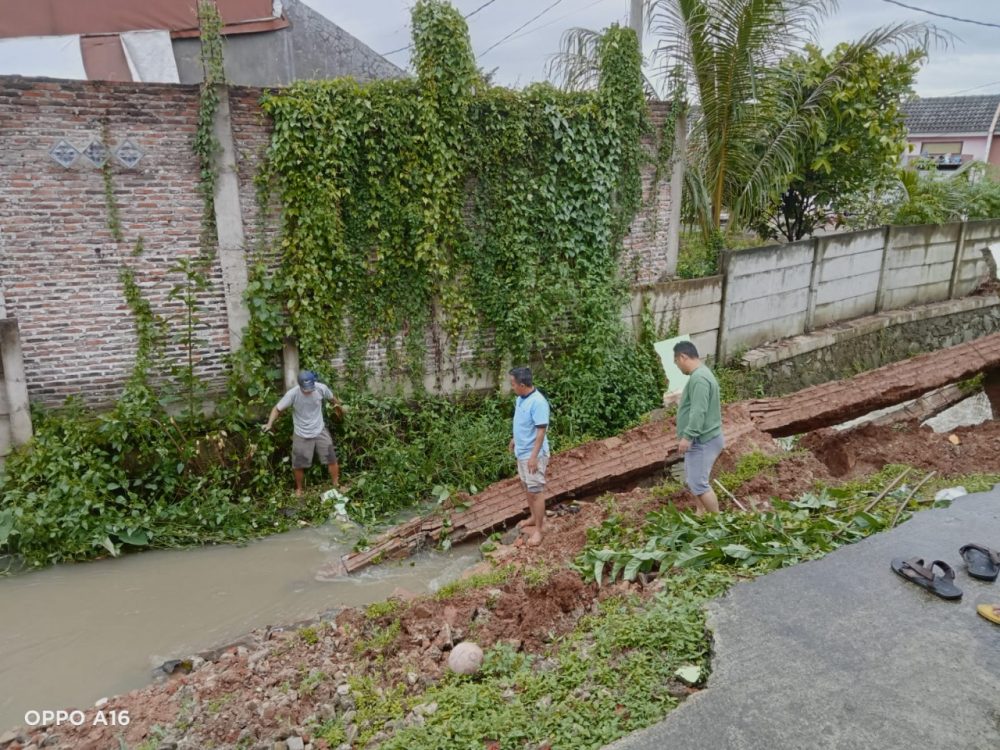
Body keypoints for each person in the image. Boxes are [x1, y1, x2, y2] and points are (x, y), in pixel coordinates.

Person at [262, 369, 341, 496]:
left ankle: (336, 484)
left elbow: (333, 400)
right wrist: (269, 424)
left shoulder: (321, 388)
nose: (308, 391)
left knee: (331, 458)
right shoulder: (292, 394)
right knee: (298, 464)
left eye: (310, 388)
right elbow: (277, 409)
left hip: (319, 429)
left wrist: (339, 410)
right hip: (301, 433)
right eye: (305, 389)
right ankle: (299, 489)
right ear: (299, 385)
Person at [673, 341, 724, 515]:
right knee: (693, 479)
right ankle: (700, 512)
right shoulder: (700, 375)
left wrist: (687, 436)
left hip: (703, 440)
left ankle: (718, 520)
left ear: (683, 357)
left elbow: (699, 411)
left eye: (676, 362)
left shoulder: (699, 379)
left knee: (699, 484)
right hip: (701, 439)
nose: (677, 366)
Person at [509, 366, 550, 547]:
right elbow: (522, 423)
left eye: (513, 384)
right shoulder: (520, 399)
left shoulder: (538, 403)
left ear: (522, 385)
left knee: (536, 492)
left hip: (533, 455)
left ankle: (540, 530)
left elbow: (541, 431)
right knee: (527, 486)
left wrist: (534, 457)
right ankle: (533, 517)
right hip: (522, 452)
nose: (512, 387)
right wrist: (515, 439)